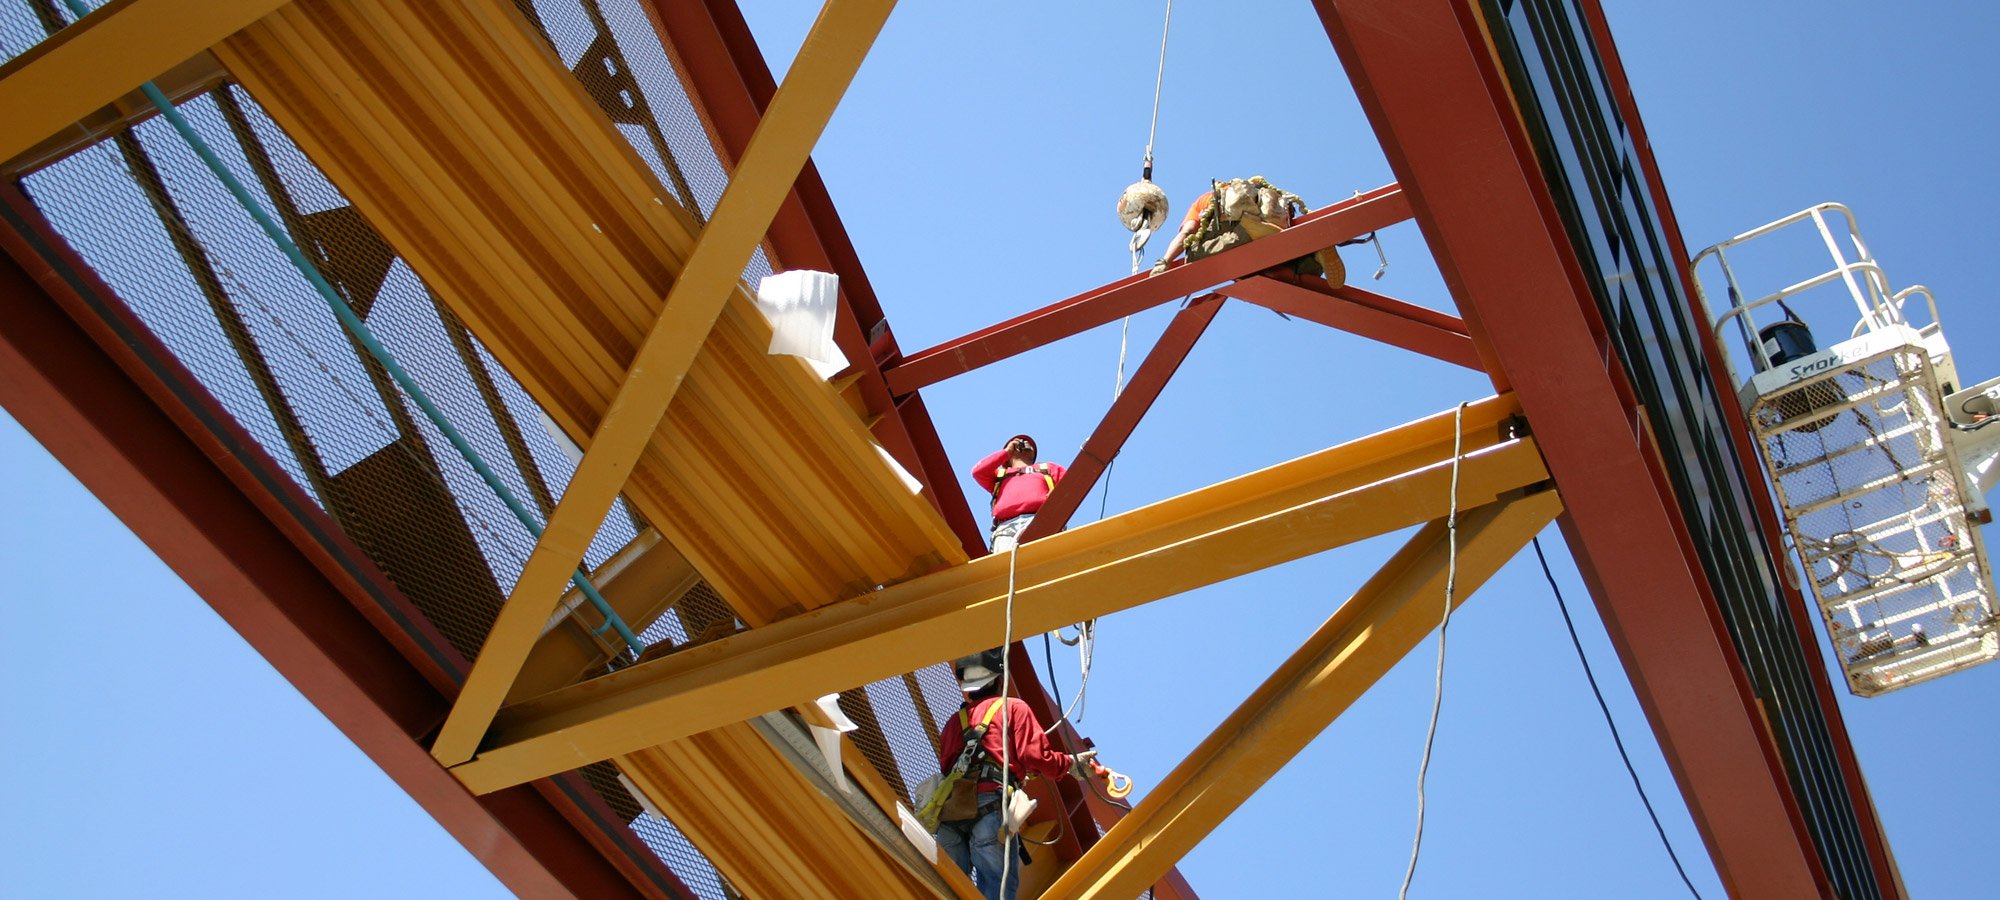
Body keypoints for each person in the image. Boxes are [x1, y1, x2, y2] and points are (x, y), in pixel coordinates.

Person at [933, 649, 1094, 900]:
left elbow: (947, 766)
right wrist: (1068, 765)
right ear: (999, 680)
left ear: (968, 686)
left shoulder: (955, 721)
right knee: (997, 891)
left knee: (944, 890)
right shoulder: (1012, 707)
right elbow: (1036, 756)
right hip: (990, 806)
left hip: (951, 811)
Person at [1149, 176, 1345, 286]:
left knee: (1192, 256)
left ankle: (1247, 232)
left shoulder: (1204, 201)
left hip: (1237, 226)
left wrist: (1164, 262)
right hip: (1274, 223)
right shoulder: (1253, 193)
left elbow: (1187, 232)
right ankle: (1313, 257)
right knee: (1279, 270)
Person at [971, 434, 1066, 552]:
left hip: (1041, 519)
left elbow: (1072, 483)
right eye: (1019, 441)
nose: (1024, 442)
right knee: (1006, 566)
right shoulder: (999, 475)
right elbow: (977, 472)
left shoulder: (1047, 468)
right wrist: (1006, 452)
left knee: (1046, 561)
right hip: (1005, 529)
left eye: (1028, 442)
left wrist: (1056, 496)